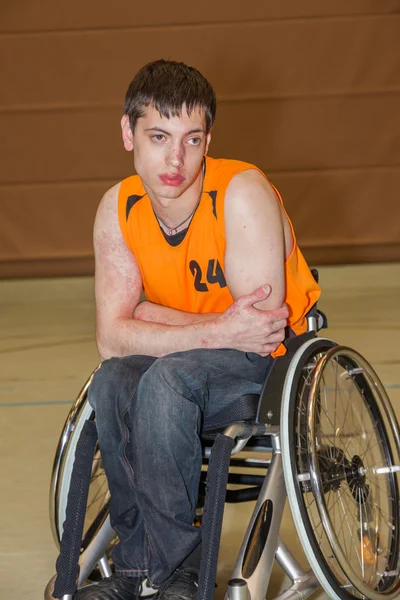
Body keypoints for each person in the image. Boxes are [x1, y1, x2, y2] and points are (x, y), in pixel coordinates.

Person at [75, 59, 320, 600]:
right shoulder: (118, 210)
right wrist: (213, 328)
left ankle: (180, 574)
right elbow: (111, 339)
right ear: (127, 133)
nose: (175, 159)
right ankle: (136, 568)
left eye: (191, 139)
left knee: (166, 381)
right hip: (197, 356)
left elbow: (255, 330)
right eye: (158, 137)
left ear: (209, 138)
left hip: (271, 367)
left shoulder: (241, 192)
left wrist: (151, 317)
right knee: (114, 380)